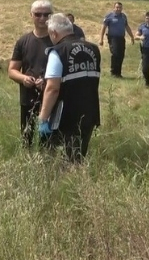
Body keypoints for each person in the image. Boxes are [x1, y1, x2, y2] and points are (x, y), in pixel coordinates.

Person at [37, 13, 102, 163]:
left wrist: (43, 118)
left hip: (65, 115)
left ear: (54, 33)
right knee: (78, 158)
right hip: (90, 111)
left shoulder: (58, 52)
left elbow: (52, 88)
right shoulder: (93, 49)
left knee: (58, 160)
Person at [8, 0, 53, 150]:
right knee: (26, 138)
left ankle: (46, 161)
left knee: (48, 141)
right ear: (31, 15)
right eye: (38, 14)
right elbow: (12, 70)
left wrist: (47, 82)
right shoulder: (23, 41)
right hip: (28, 97)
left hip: (51, 97)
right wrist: (23, 78)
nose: (42, 18)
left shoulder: (57, 40)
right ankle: (27, 160)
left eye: (46, 14)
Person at [99, 1, 134, 77]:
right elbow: (103, 27)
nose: (118, 9)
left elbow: (127, 27)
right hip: (113, 38)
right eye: (117, 7)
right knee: (115, 54)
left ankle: (118, 73)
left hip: (121, 38)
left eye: (120, 7)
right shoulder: (109, 16)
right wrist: (101, 39)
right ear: (114, 8)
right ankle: (113, 72)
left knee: (121, 55)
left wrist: (132, 36)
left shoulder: (123, 16)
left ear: (122, 8)